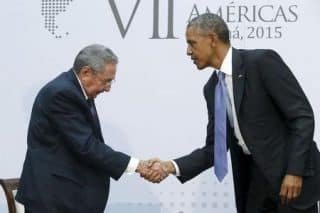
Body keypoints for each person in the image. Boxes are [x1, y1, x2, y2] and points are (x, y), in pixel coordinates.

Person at [144, 13, 320, 212]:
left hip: (290, 182)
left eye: (192, 43)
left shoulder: (261, 62)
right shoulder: (212, 88)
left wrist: (294, 171)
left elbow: (302, 117)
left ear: (212, 39)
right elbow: (214, 150)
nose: (188, 51)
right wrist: (169, 166)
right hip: (254, 186)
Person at [15, 44, 166, 213]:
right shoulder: (62, 94)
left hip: (66, 198)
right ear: (86, 72)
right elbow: (87, 146)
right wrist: (139, 165)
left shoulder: (76, 90)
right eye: (106, 80)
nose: (109, 88)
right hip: (53, 201)